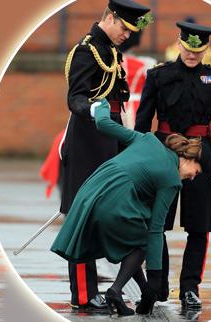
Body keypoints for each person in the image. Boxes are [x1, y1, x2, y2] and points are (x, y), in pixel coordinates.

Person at [51, 99, 202, 316]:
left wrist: (101, 105)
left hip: (91, 190)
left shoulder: (146, 140)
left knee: (131, 238)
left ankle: (128, 291)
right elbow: (156, 230)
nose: (191, 177)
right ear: (187, 158)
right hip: (115, 198)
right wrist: (155, 280)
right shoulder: (171, 179)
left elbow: (104, 125)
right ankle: (115, 290)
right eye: (195, 171)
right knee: (141, 241)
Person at [135, 21, 211, 309]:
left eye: (198, 50)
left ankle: (190, 287)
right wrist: (140, 157)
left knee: (199, 226)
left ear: (206, 49)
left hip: (201, 157)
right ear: (179, 44)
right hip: (163, 151)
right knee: (157, 223)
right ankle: (159, 283)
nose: (192, 54)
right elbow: (143, 121)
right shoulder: (158, 76)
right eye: (188, 48)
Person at [59, 0, 151, 311]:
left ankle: (110, 287)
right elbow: (75, 97)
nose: (127, 34)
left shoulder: (111, 51)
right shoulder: (88, 51)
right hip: (88, 140)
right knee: (85, 216)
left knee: (107, 213)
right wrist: (93, 110)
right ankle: (83, 294)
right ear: (109, 18)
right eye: (124, 26)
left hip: (110, 139)